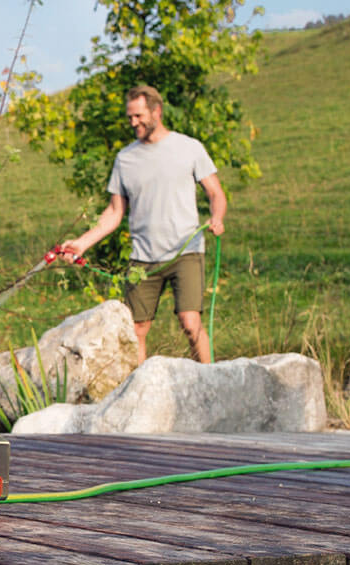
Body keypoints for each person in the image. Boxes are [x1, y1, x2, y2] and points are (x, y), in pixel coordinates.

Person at [61, 85, 227, 365]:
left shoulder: (189, 148)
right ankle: (138, 392)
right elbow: (114, 213)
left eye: (138, 116)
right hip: (142, 258)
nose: (133, 122)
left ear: (157, 111)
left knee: (190, 322)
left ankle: (209, 379)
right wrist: (81, 243)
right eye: (129, 117)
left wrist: (217, 217)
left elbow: (215, 193)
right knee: (137, 329)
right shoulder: (125, 159)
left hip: (185, 251)